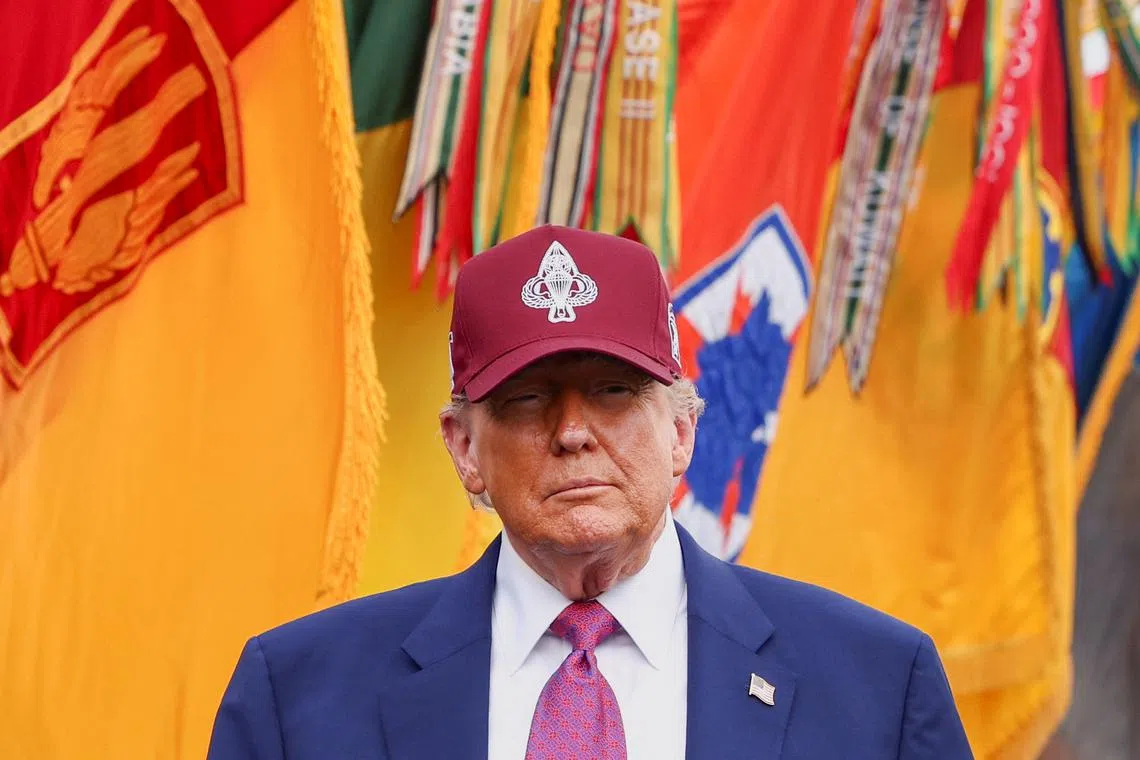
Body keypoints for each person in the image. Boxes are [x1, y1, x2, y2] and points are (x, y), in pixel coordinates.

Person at [207, 226, 974, 759]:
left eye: (613, 391)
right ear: (464, 448)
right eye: (528, 398)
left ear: (681, 432)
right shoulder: (300, 698)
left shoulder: (875, 686)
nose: (573, 431)